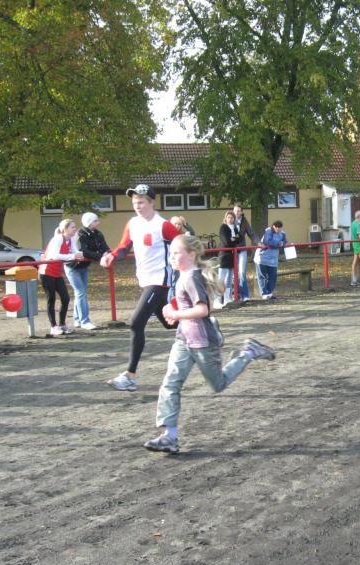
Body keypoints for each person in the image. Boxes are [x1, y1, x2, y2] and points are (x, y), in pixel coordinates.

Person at [143, 234, 276, 454]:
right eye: (171, 253)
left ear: (192, 255)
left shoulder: (191, 277)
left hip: (203, 341)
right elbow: (185, 305)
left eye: (176, 253)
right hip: (184, 340)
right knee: (170, 383)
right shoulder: (183, 275)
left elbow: (202, 310)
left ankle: (248, 352)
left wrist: (176, 314)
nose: (172, 257)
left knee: (218, 384)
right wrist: (173, 312)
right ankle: (169, 436)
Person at [101, 184, 180, 392]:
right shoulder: (133, 223)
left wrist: (186, 268)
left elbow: (184, 244)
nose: (137, 205)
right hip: (145, 281)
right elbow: (123, 246)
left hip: (160, 281)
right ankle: (205, 326)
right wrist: (111, 256)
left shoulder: (163, 226)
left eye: (141, 202)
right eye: (135, 202)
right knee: (171, 324)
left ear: (151, 202)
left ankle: (130, 376)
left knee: (136, 324)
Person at [39, 219, 83, 336]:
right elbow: (54, 256)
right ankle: (53, 326)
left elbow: (75, 252)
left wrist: (79, 255)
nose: (75, 229)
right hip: (46, 272)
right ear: (65, 229)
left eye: (74, 227)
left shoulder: (71, 240)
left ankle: (62, 324)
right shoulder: (58, 238)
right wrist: (73, 256)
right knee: (51, 299)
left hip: (57, 272)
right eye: (72, 227)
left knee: (65, 298)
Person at [67, 212, 110, 330]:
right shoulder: (80, 234)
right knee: (80, 292)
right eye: (95, 221)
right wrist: (100, 256)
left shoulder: (98, 234)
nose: (98, 223)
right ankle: (84, 321)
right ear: (89, 223)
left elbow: (104, 247)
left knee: (80, 292)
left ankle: (77, 319)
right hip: (73, 266)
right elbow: (83, 251)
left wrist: (108, 254)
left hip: (84, 266)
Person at [233, 204, 259, 302]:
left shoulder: (244, 222)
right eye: (235, 210)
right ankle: (235, 294)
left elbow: (251, 233)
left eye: (238, 211)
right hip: (231, 250)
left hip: (242, 250)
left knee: (242, 272)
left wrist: (258, 242)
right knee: (232, 274)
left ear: (241, 212)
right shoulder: (229, 219)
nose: (236, 213)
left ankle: (245, 295)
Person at [255, 220, 287, 299]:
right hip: (262, 257)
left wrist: (283, 243)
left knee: (273, 277)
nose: (278, 229)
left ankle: (269, 292)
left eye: (279, 228)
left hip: (273, 259)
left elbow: (285, 241)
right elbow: (268, 241)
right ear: (273, 226)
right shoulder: (268, 231)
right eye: (276, 227)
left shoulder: (282, 233)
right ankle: (264, 293)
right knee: (262, 276)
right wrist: (278, 244)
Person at [216, 210, 241, 308]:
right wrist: (234, 239)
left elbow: (240, 239)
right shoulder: (223, 227)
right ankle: (217, 300)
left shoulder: (235, 228)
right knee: (221, 279)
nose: (230, 219)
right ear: (225, 218)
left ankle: (227, 298)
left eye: (232, 218)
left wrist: (234, 239)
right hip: (224, 256)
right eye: (228, 217)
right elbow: (226, 242)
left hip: (232, 256)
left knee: (229, 278)